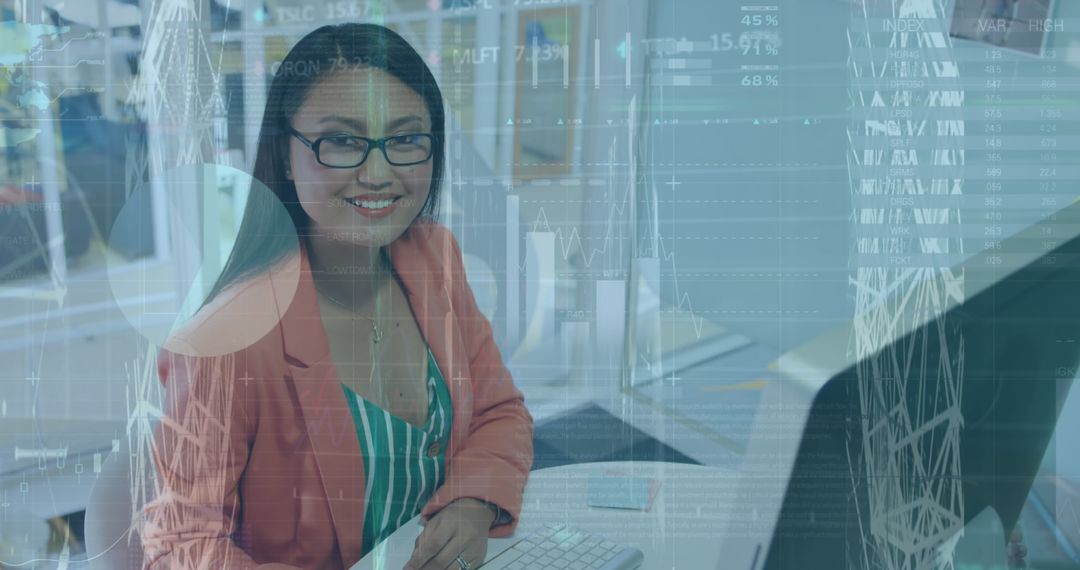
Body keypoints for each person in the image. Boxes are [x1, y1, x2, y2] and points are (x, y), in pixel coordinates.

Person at [140, 23, 534, 570]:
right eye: (343, 141)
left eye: (405, 139)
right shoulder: (226, 338)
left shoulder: (433, 257)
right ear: (285, 155)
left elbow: (501, 413)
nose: (378, 174)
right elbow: (181, 546)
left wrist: (470, 503)